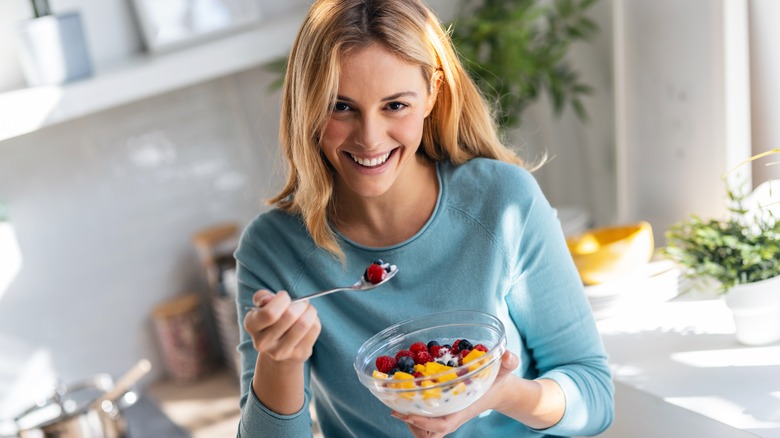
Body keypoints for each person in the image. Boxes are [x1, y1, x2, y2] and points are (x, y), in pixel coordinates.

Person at [235, 0, 614, 436]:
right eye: (341, 107)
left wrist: (500, 394)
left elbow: (594, 396)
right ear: (306, 104)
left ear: (433, 92)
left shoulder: (503, 202)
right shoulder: (274, 249)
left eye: (395, 105)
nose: (370, 138)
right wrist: (279, 362)